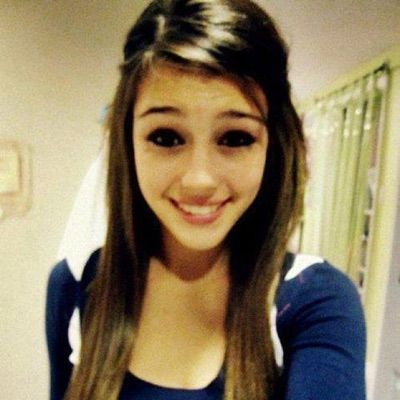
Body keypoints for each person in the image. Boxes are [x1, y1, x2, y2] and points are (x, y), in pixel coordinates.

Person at [45, 0, 366, 399]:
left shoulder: (314, 301)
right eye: (166, 137)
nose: (200, 180)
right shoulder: (77, 286)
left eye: (235, 138)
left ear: (273, 148)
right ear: (128, 144)